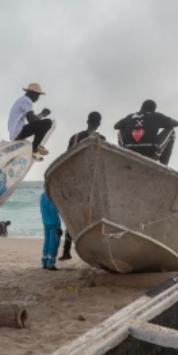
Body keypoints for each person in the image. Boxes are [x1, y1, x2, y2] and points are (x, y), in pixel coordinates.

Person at [59, 111, 106, 261]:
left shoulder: (75, 137)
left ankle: (66, 251)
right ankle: (98, 252)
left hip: (75, 181)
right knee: (97, 217)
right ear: (99, 123)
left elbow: (68, 157)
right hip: (92, 183)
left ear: (87, 121)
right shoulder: (101, 138)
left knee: (73, 217)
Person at [114, 100, 178, 165]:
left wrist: (132, 125)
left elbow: (116, 126)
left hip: (129, 149)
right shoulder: (156, 116)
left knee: (121, 129)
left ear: (141, 107)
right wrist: (158, 123)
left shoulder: (130, 116)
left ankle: (123, 149)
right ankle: (163, 163)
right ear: (154, 110)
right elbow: (176, 123)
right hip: (149, 153)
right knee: (171, 131)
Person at [8, 82, 55, 161]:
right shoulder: (26, 101)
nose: (38, 98)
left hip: (15, 132)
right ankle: (35, 148)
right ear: (31, 93)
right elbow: (32, 120)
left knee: (41, 124)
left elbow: (32, 119)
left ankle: (36, 145)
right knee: (47, 123)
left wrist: (41, 115)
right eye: (37, 95)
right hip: (18, 132)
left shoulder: (22, 100)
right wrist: (42, 115)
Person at [40, 190, 61, 270]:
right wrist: (58, 226)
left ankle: (44, 262)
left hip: (46, 222)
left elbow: (42, 210)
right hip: (53, 224)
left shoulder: (43, 195)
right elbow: (53, 211)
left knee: (47, 242)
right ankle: (51, 263)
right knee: (54, 243)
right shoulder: (51, 195)